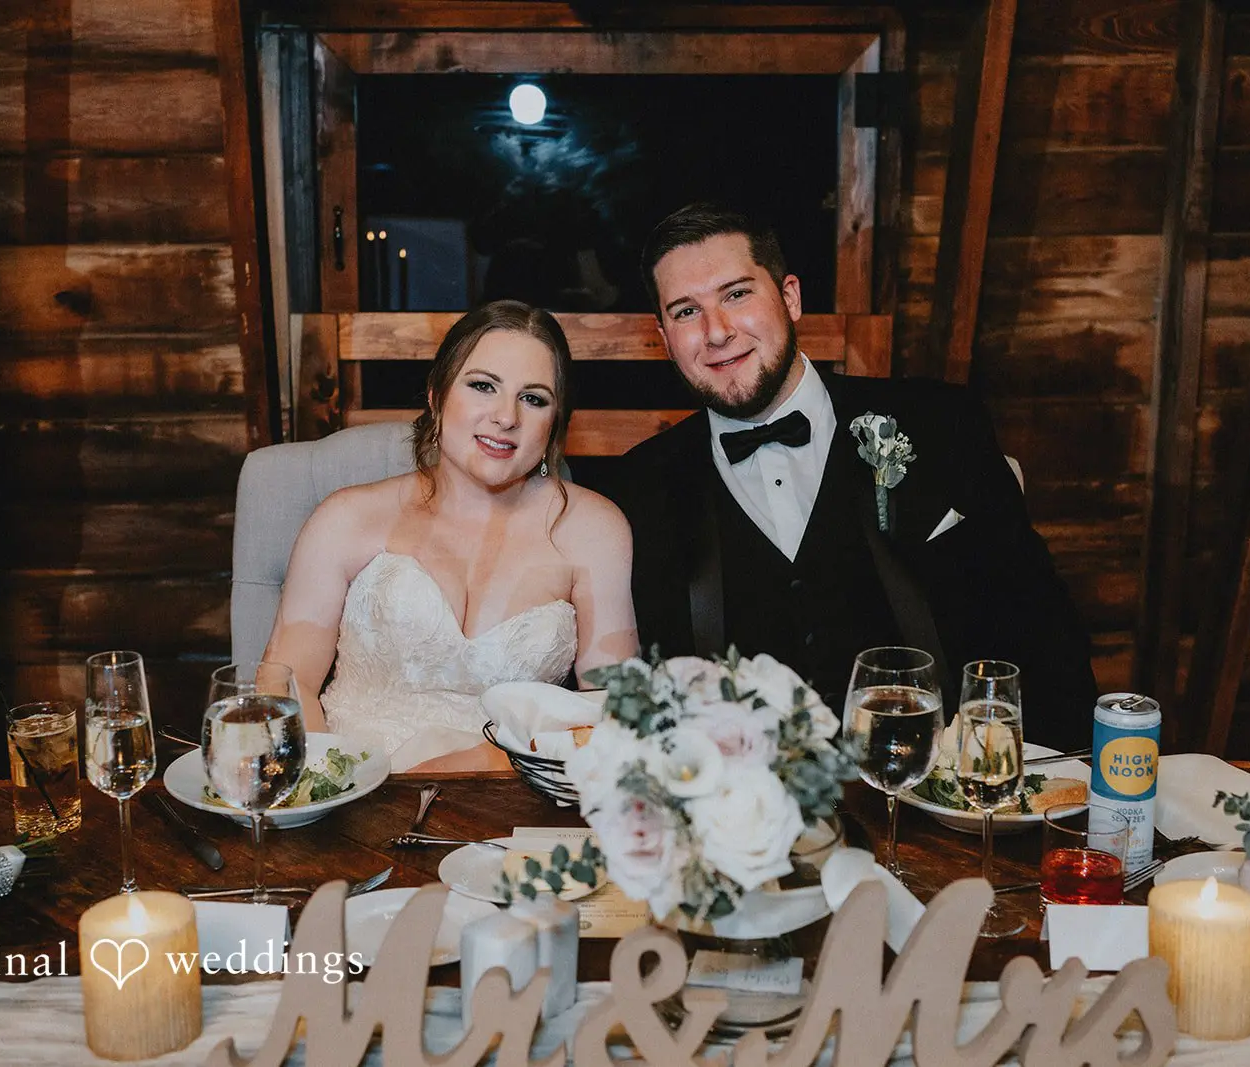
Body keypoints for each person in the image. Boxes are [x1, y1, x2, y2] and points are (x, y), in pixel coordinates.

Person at [601, 204, 1098, 749]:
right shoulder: (638, 487)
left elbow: (1044, 631)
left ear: (790, 298)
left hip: (928, 792)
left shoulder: (941, 424)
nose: (716, 331)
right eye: (685, 311)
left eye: (737, 294)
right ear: (663, 335)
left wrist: (1060, 791)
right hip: (740, 811)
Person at [263, 300, 639, 773]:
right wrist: (331, 789)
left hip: (512, 804)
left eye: (534, 398)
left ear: (555, 423)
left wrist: (492, 765)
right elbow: (284, 684)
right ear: (437, 396)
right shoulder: (346, 517)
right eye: (483, 386)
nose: (506, 417)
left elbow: (612, 712)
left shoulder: (595, 531)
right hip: (351, 792)